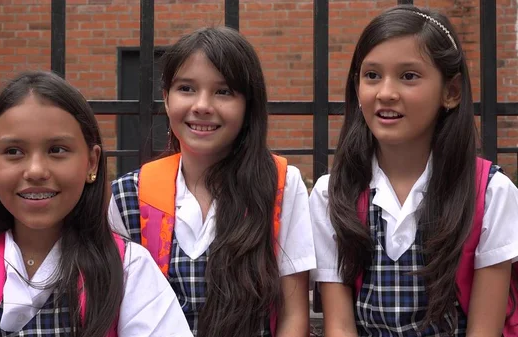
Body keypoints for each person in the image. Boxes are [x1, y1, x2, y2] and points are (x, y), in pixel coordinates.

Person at [0, 71, 193, 337]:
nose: (36, 171)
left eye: (57, 150)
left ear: (92, 162)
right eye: (14, 152)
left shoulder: (129, 269)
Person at [310, 5, 518, 337]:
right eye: (372, 75)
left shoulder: (490, 195)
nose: (386, 93)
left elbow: (485, 330)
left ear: (451, 92)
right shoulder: (332, 195)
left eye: (409, 76)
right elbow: (340, 326)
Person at [109, 27, 316, 337]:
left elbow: (293, 316)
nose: (202, 105)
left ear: (248, 106)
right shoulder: (129, 196)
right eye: (187, 89)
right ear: (166, 99)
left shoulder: (281, 185)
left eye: (223, 92)